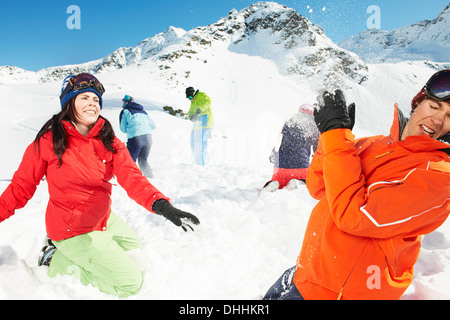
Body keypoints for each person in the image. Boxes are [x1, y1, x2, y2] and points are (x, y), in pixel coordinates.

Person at [0, 73, 200, 298]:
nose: (92, 104)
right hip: (72, 229)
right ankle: (55, 261)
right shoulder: (48, 142)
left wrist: (161, 204)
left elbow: (132, 177)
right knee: (130, 284)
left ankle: (69, 252)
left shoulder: (108, 140)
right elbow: (20, 187)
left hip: (103, 217)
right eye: (84, 98)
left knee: (137, 252)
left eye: (96, 100)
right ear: (69, 103)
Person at [264, 69, 450, 300]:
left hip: (341, 293)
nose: (439, 120)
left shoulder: (439, 178)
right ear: (418, 102)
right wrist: (329, 135)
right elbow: (319, 187)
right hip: (308, 272)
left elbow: (355, 215)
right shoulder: (376, 144)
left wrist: (336, 137)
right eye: (435, 106)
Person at [260, 104, 320, 193]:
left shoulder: (288, 122)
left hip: (281, 163)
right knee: (308, 180)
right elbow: (317, 149)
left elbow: (274, 138)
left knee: (278, 179)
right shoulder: (313, 127)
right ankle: (299, 182)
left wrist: (272, 153)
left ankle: (274, 183)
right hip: (302, 165)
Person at [119, 95, 156, 178]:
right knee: (143, 160)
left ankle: (128, 178)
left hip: (135, 139)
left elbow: (123, 129)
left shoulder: (125, 111)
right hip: (148, 139)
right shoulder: (143, 112)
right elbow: (153, 126)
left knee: (130, 161)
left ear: (125, 102)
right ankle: (150, 178)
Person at [185, 87, 214, 166]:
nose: (190, 99)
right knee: (193, 142)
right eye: (188, 98)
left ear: (193, 93)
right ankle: (196, 160)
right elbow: (189, 112)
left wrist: (199, 110)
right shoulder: (193, 102)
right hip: (198, 125)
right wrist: (190, 116)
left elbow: (208, 102)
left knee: (201, 143)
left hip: (206, 123)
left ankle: (200, 163)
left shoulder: (201, 95)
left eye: (190, 97)